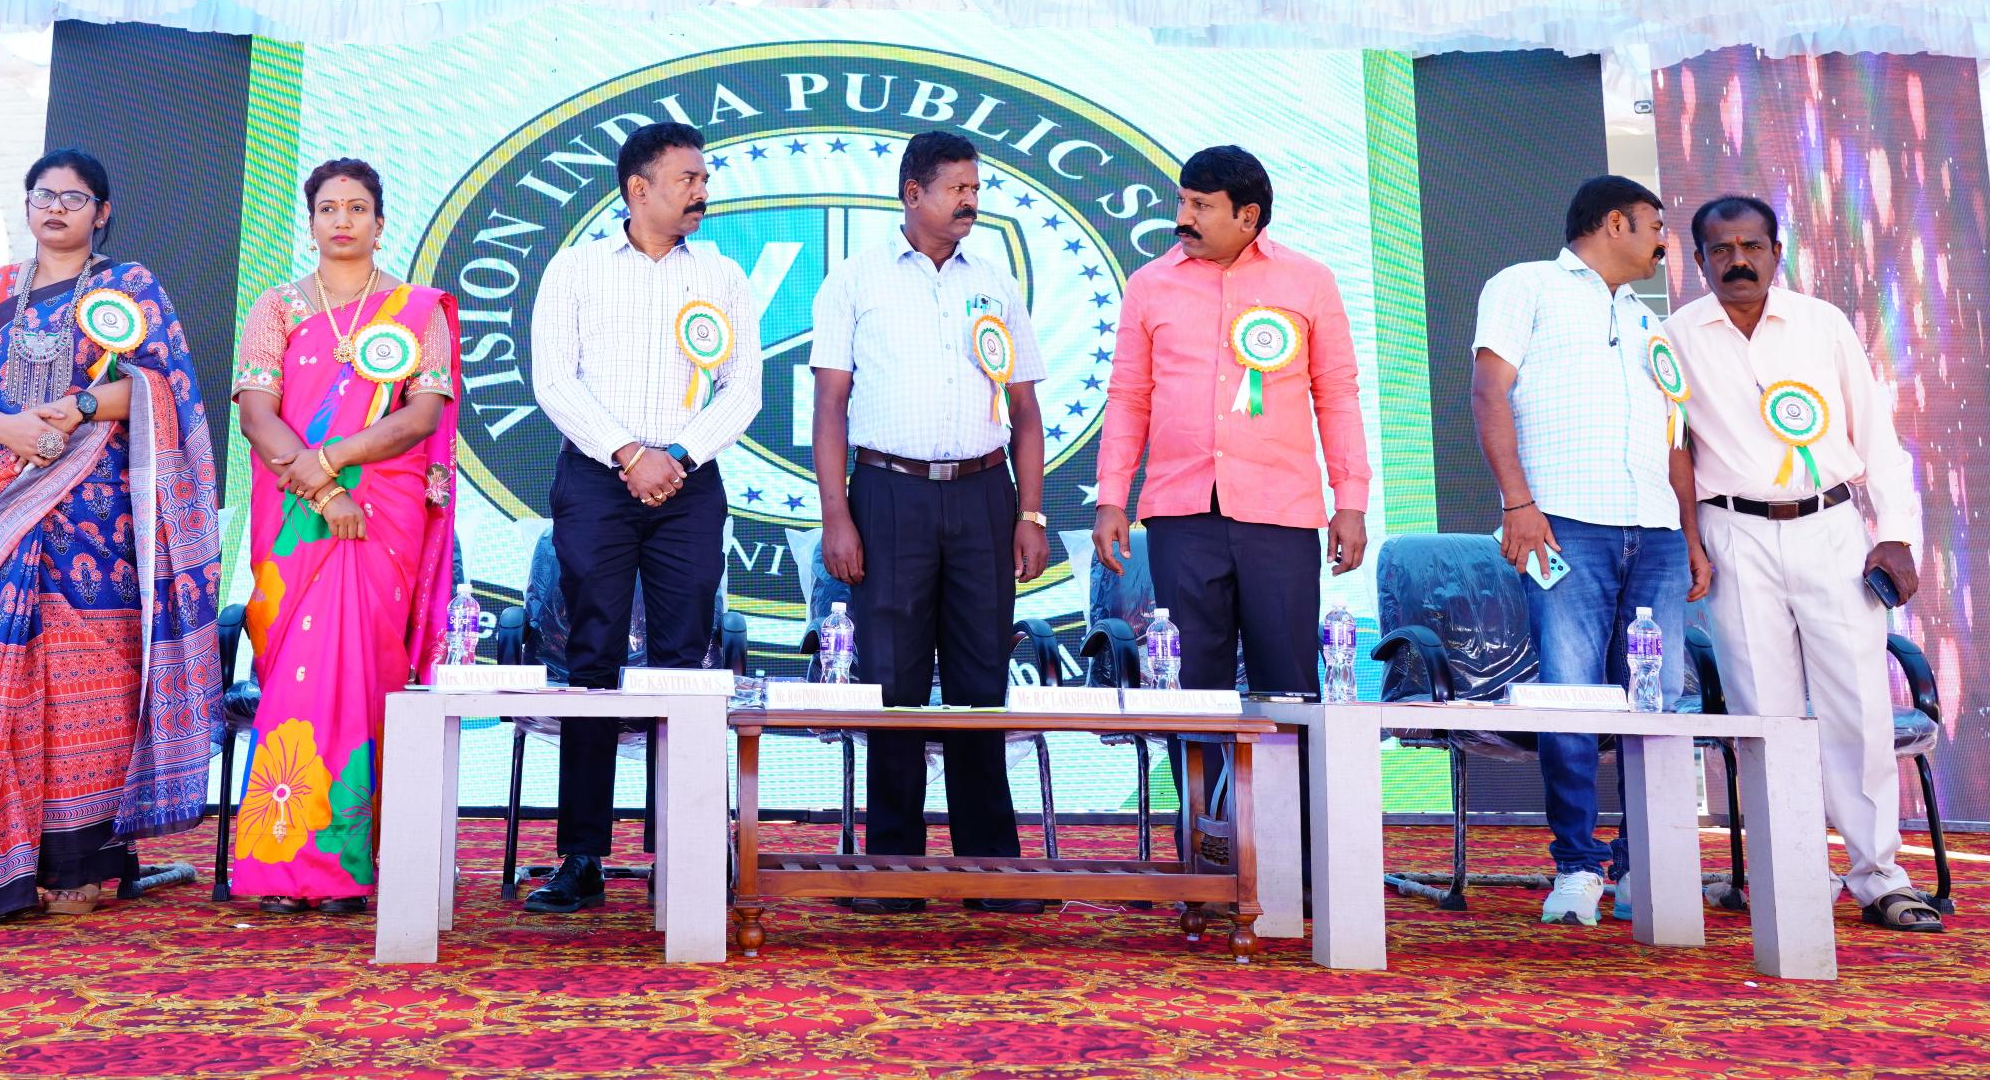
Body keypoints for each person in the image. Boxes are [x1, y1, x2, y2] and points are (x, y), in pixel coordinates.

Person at [0, 149, 224, 926]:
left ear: (101, 212)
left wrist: (82, 406)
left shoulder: (131, 288)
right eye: (42, 195)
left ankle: (81, 863)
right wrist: (10, 430)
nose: (55, 209)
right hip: (0, 500)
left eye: (73, 199)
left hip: (99, 522)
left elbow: (165, 389)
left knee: (94, 682)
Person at [1673, 195, 1942, 933]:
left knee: (1857, 705)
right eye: (1721, 249)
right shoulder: (1675, 338)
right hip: (1734, 535)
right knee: (1765, 714)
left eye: (1752, 246)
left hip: (1831, 528)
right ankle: (1791, 874)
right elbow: (1674, 451)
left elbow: (1877, 434)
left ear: (1776, 251)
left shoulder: (1822, 324)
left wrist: (1897, 533)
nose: (1738, 261)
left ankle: (1879, 877)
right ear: (1698, 260)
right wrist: (1691, 540)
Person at [812, 130, 1049, 912]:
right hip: (889, 495)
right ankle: (892, 870)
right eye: (958, 189)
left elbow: (1025, 409)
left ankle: (992, 869)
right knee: (893, 684)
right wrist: (838, 515)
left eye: (977, 188)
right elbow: (830, 406)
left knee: (982, 681)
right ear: (913, 193)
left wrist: (1030, 511)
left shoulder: (995, 281)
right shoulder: (854, 280)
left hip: (984, 496)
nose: (971, 202)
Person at [526, 120, 759, 914]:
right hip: (597, 479)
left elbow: (744, 389)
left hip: (690, 484)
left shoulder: (723, 274)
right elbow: (554, 381)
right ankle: (581, 854)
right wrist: (630, 454)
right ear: (638, 188)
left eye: (703, 178)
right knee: (591, 655)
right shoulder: (577, 268)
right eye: (688, 178)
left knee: (682, 659)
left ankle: (683, 848)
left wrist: (677, 456)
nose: (702, 191)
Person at [229, 158, 461, 915]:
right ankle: (279, 861)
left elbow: (421, 416)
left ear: (380, 223)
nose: (342, 220)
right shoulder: (276, 308)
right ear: (311, 222)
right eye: (328, 208)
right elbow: (256, 413)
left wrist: (332, 460)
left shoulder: (417, 310)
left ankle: (347, 862)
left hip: (381, 519)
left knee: (364, 676)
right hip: (298, 519)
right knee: (294, 678)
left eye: (357, 208)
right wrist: (326, 490)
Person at [1471, 174, 1698, 928]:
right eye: (1655, 225)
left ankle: (1641, 865)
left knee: (1657, 700)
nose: (1663, 241)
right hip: (1563, 522)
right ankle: (1576, 866)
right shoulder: (1525, 284)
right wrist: (1518, 503)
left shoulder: (1647, 319)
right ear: (1614, 223)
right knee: (1569, 696)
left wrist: (1690, 534)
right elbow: (1488, 393)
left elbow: (1675, 438)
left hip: (1657, 532)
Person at [1094, 145, 1371, 712]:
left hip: (1280, 514)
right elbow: (1128, 398)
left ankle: (1287, 780)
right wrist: (1111, 498)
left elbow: (1337, 395)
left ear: (1248, 215)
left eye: (1200, 205)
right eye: (1181, 201)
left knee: (1289, 689)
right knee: (1188, 693)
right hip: (1180, 514)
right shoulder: (1149, 284)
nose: (1183, 218)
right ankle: (1200, 778)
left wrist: (1351, 502)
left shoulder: (1309, 281)